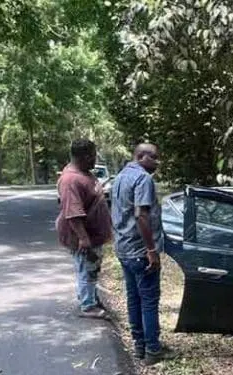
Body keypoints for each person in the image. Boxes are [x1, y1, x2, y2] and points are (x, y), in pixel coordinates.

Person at [110, 143, 171, 363]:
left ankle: (139, 346)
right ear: (140, 156)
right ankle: (153, 350)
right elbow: (141, 215)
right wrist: (151, 250)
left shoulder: (120, 177)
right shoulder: (143, 179)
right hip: (139, 251)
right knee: (148, 300)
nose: (157, 162)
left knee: (134, 298)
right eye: (153, 157)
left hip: (123, 248)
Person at [55, 139, 112, 318]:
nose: (95, 159)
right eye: (93, 156)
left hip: (93, 234)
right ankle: (88, 305)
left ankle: (91, 297)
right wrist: (83, 238)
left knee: (91, 267)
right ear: (84, 156)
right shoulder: (71, 179)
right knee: (86, 268)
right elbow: (73, 212)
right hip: (83, 235)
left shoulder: (84, 173)